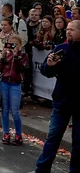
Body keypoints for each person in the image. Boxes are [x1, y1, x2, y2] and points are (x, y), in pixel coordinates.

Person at [35, 19, 80, 172]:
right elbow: (45, 71)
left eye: (72, 30)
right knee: (53, 138)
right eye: (67, 29)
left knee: (78, 142)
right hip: (62, 101)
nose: (68, 32)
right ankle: (42, 169)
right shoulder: (61, 48)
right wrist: (49, 65)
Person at [0, 18, 29, 146]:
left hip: (15, 84)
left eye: (15, 44)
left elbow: (22, 68)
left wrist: (16, 56)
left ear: (20, 45)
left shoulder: (23, 55)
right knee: (5, 109)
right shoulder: (6, 54)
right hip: (4, 82)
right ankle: (6, 133)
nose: (13, 47)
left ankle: (18, 134)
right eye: (11, 44)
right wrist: (2, 56)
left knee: (15, 110)